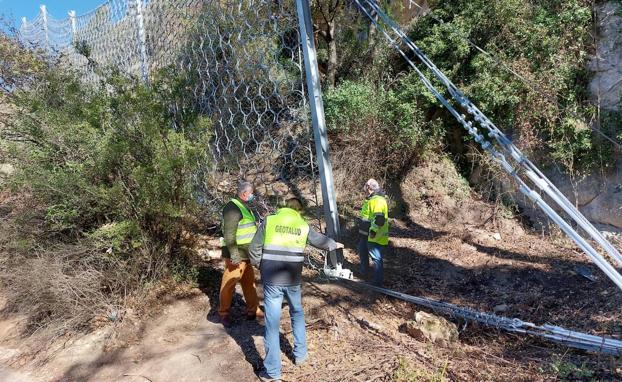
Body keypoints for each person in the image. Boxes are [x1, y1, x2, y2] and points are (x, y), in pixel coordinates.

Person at [249, 197, 344, 382]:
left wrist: (260, 265)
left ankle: (272, 373)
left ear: (284, 207)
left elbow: (254, 248)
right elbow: (320, 241)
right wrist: (334, 244)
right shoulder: (302, 225)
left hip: (272, 279)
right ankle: (300, 355)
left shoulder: (270, 220)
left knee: (272, 323)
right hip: (293, 279)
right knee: (297, 312)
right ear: (299, 211)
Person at [218, 181, 263, 328]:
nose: (252, 196)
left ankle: (253, 310)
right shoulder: (232, 208)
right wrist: (234, 254)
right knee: (229, 284)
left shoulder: (243, 207)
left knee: (249, 283)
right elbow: (229, 234)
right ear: (244, 194)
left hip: (246, 254)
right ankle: (223, 313)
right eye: (251, 194)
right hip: (236, 255)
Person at [359, 179, 389, 286]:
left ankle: (377, 282)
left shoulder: (378, 200)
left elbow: (379, 219)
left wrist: (373, 231)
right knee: (362, 250)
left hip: (374, 235)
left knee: (376, 257)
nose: (364, 190)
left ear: (369, 187)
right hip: (366, 233)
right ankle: (364, 273)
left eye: (365, 188)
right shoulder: (371, 199)